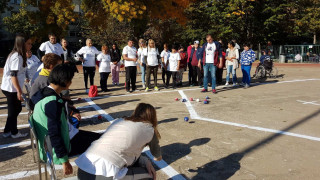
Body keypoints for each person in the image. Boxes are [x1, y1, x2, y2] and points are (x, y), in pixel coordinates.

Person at [31, 64, 101, 175]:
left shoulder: (42, 94)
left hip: (49, 143)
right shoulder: (53, 103)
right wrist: (64, 160)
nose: (71, 82)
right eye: (70, 79)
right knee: (101, 142)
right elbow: (54, 133)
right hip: (59, 147)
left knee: (99, 138)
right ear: (64, 81)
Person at [75, 103, 162, 180]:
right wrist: (153, 159)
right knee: (150, 175)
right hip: (103, 175)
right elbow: (157, 156)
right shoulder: (150, 129)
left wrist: (144, 160)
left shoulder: (120, 120)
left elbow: (118, 147)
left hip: (83, 169)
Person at [1, 34, 32, 138]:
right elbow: (13, 75)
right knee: (14, 110)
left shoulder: (18, 55)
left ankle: (7, 131)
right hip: (11, 88)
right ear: (22, 44)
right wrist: (19, 91)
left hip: (12, 87)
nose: (30, 46)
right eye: (28, 43)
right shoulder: (17, 57)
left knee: (16, 109)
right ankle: (14, 132)